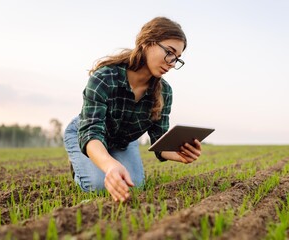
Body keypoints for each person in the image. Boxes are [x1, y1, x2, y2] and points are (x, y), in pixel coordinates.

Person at [64, 17, 202, 202]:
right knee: (98, 186)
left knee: (133, 185)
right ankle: (83, 160)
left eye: (177, 59)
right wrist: (110, 166)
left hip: (123, 140)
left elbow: (159, 140)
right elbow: (91, 131)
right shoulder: (105, 77)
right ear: (147, 43)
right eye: (169, 52)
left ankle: (106, 159)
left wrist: (177, 153)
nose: (171, 62)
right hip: (89, 134)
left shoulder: (165, 92)